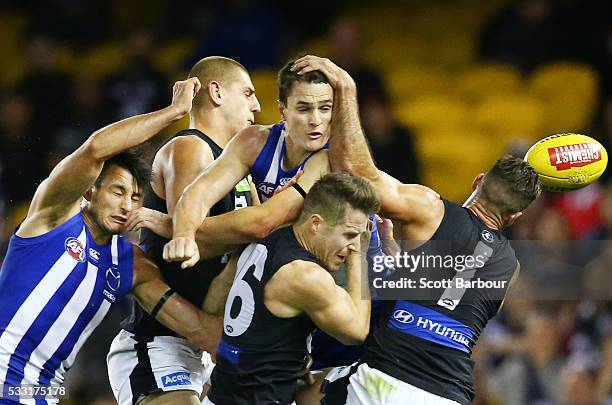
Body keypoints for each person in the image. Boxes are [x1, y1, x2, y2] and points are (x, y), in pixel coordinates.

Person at [291, 56, 541, 404]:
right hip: (448, 394)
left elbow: (355, 173)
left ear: (478, 182)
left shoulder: (430, 209)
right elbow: (449, 304)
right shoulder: (511, 269)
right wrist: (400, 267)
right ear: (514, 218)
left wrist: (346, 91)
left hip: (383, 380)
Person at [0, 78, 224, 404]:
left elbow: (199, 329)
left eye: (135, 197)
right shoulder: (54, 217)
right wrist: (173, 112)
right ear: (90, 190)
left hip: (40, 393)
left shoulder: (131, 264)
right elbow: (94, 149)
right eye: (118, 191)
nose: (127, 205)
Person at [107, 56, 261, 405]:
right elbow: (191, 241)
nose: (257, 104)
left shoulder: (238, 167)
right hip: (160, 340)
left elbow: (256, 238)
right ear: (217, 93)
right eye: (248, 93)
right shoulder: (190, 146)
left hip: (209, 345)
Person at [203, 172, 379, 405]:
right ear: (316, 223)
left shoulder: (268, 234)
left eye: (359, 237)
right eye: (349, 235)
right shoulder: (304, 275)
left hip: (225, 392)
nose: (353, 245)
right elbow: (356, 332)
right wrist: (361, 258)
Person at [163, 57, 334, 268]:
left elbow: (261, 225)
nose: (257, 105)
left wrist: (170, 227)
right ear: (284, 111)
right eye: (247, 93)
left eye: (325, 108)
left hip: (355, 264)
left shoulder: (331, 156)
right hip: (302, 264)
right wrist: (183, 233)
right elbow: (198, 197)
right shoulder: (208, 146)